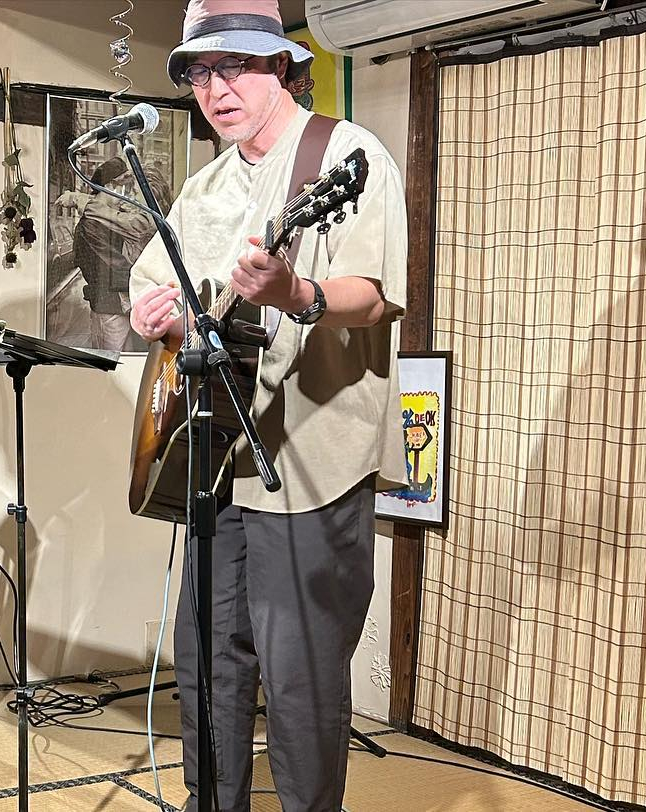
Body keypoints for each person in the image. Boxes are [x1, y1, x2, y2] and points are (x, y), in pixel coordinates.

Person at [127, 1, 407, 809]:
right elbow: (160, 286)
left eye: (236, 66)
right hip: (216, 463)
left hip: (310, 464)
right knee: (207, 667)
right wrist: (162, 315)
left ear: (282, 64)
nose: (216, 89)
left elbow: (376, 296)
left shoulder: (345, 156)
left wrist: (298, 291)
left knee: (299, 685)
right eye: (201, 72)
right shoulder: (206, 184)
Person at [73, 157, 161, 353]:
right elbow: (112, 266)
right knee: (112, 365)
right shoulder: (94, 223)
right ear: (110, 186)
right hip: (111, 307)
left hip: (118, 306)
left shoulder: (109, 219)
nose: (126, 196)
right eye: (124, 188)